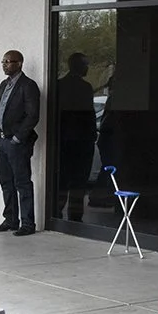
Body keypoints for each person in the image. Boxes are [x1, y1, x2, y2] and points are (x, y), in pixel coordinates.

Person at [0, 49, 41, 236]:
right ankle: (10, 219)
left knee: (22, 182)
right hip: (0, 140)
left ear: (19, 63)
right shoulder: (4, 85)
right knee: (6, 182)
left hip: (16, 142)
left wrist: (18, 137)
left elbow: (33, 115)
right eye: (3, 62)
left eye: (8, 62)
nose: (4, 65)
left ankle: (27, 223)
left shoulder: (28, 85)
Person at [54, 52, 96, 221]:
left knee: (63, 180)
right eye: (85, 65)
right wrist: (92, 135)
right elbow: (89, 115)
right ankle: (75, 216)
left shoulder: (59, 85)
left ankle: (57, 213)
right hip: (80, 141)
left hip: (64, 140)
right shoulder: (84, 87)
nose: (87, 68)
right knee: (78, 180)